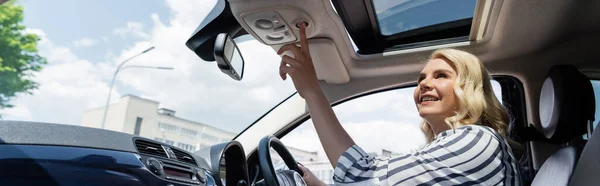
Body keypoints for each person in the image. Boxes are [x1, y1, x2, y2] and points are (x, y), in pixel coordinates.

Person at [277, 23, 522, 185]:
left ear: (470, 89)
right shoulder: (450, 148)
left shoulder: (477, 140)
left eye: (441, 76)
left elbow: (364, 175)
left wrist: (312, 90)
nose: (424, 84)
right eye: (421, 79)